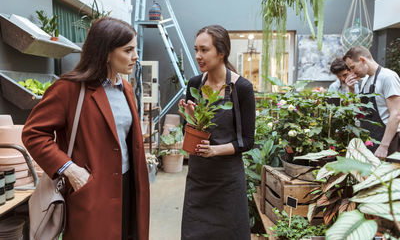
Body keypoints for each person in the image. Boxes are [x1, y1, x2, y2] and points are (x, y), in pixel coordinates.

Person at [22, 17, 150, 240]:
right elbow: (33, 133)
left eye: (135, 49)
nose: (135, 57)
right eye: (128, 50)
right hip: (91, 190)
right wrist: (71, 170)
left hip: (129, 187)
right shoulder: (69, 89)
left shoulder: (126, 88)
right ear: (106, 52)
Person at [178, 25, 255, 240]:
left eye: (204, 50)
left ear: (221, 52)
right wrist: (189, 116)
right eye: (196, 50)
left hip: (227, 181)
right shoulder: (195, 83)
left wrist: (214, 151)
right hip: (199, 178)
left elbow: (248, 141)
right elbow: (193, 132)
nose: (198, 56)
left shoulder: (241, 88)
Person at [343, 45, 400, 158]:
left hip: (389, 142)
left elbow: (396, 114)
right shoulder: (365, 81)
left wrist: (384, 146)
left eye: (353, 67)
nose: (352, 72)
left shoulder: (388, 77)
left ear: (362, 60)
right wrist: (351, 90)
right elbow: (359, 111)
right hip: (371, 140)